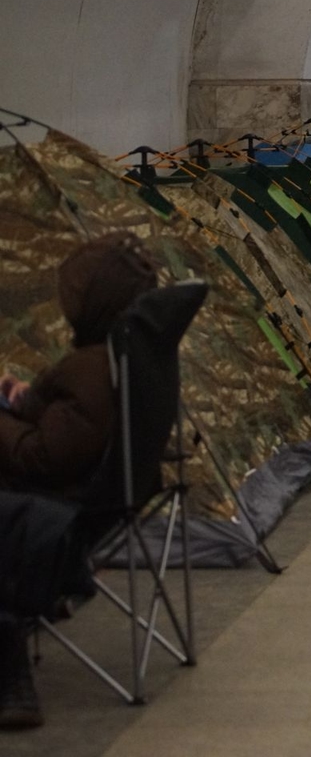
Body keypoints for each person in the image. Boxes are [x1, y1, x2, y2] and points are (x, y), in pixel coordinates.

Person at [0, 233, 159, 731]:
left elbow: (44, 458)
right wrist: (25, 400)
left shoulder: (92, 370)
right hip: (104, 497)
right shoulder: (123, 355)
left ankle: (10, 674)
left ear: (93, 303)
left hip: (64, 510)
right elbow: (69, 422)